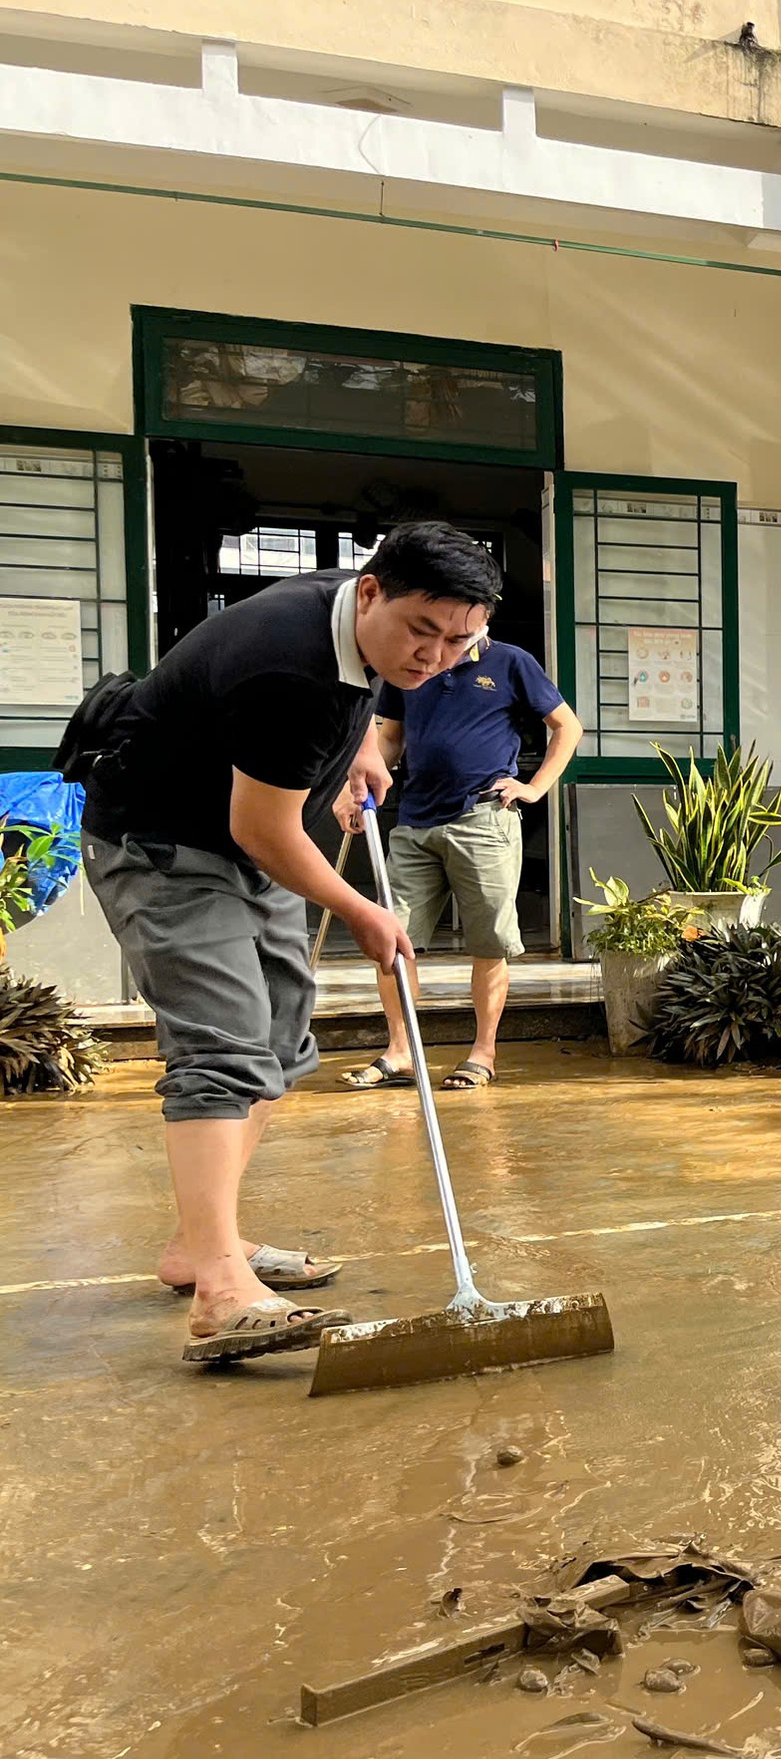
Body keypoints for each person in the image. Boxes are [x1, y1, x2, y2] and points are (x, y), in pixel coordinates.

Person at [68, 521, 499, 1364]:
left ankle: (201, 1244)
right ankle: (220, 1291)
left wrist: (362, 749)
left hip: (234, 841)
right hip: (164, 847)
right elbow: (263, 827)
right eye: (424, 633)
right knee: (223, 1049)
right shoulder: (286, 669)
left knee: (277, 1043)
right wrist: (367, 913)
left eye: (461, 641)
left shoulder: (364, 605)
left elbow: (360, 682)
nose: (437, 658)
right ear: (371, 594)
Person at [337, 638, 580, 1092]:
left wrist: (535, 787)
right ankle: (401, 1051)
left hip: (484, 818)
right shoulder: (410, 658)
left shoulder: (511, 662)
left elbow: (567, 726)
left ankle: (483, 1053)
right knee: (392, 937)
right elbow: (390, 736)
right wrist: (358, 790)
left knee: (489, 943)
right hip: (413, 820)